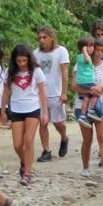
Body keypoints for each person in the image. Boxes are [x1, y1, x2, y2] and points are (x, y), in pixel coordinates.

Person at [1, 45, 48, 185]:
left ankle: (27, 173)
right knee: (17, 145)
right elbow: (6, 92)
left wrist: (44, 112)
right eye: (19, 61)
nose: (21, 64)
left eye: (24, 61)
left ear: (29, 59)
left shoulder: (37, 71)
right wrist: (3, 110)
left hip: (32, 108)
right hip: (16, 109)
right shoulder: (10, 72)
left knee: (28, 141)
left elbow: (42, 93)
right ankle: (24, 161)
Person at [71, 39, 103, 180]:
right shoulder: (80, 63)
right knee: (87, 139)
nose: (99, 53)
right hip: (82, 103)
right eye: (97, 50)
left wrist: (100, 88)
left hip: (102, 104)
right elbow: (74, 86)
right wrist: (90, 90)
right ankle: (85, 167)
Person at [33, 27, 69, 162]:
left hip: (56, 92)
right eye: (39, 38)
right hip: (40, 93)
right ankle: (46, 150)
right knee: (43, 122)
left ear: (51, 37)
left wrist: (64, 92)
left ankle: (64, 137)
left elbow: (65, 73)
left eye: (44, 37)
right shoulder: (35, 53)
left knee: (58, 123)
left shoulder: (61, 51)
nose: (41, 40)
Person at [74, 37, 100, 126]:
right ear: (83, 48)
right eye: (89, 46)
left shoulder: (81, 57)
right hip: (87, 81)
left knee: (86, 98)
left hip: (83, 82)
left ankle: (83, 115)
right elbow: (87, 60)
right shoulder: (83, 57)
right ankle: (91, 110)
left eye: (92, 46)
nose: (91, 48)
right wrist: (85, 51)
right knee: (96, 94)